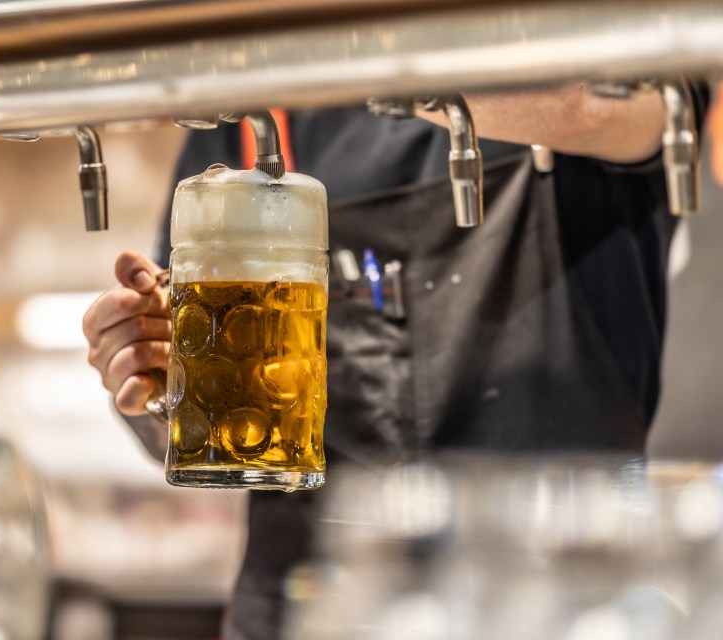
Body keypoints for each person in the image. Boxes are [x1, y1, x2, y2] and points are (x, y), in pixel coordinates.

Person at [82, 82, 710, 639]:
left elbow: (591, 106)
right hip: (310, 610)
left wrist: (338, 46)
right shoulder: (252, 111)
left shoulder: (581, 55)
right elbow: (186, 380)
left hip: (544, 600)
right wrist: (158, 377)